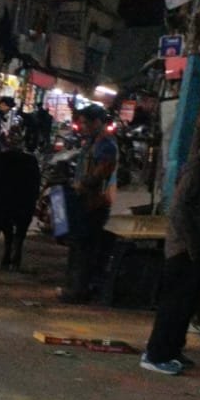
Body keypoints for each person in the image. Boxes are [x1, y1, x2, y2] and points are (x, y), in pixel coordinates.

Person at [141, 117, 200, 376]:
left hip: (195, 246)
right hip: (183, 249)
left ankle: (172, 350)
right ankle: (156, 354)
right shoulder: (197, 167)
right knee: (173, 304)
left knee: (186, 305)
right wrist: (192, 245)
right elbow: (179, 209)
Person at [59, 104, 119, 303]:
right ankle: (75, 288)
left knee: (85, 248)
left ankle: (79, 290)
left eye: (86, 123)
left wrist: (83, 184)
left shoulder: (106, 144)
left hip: (94, 203)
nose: (82, 127)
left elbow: (101, 172)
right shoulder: (92, 142)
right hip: (85, 200)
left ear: (97, 122)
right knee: (78, 246)